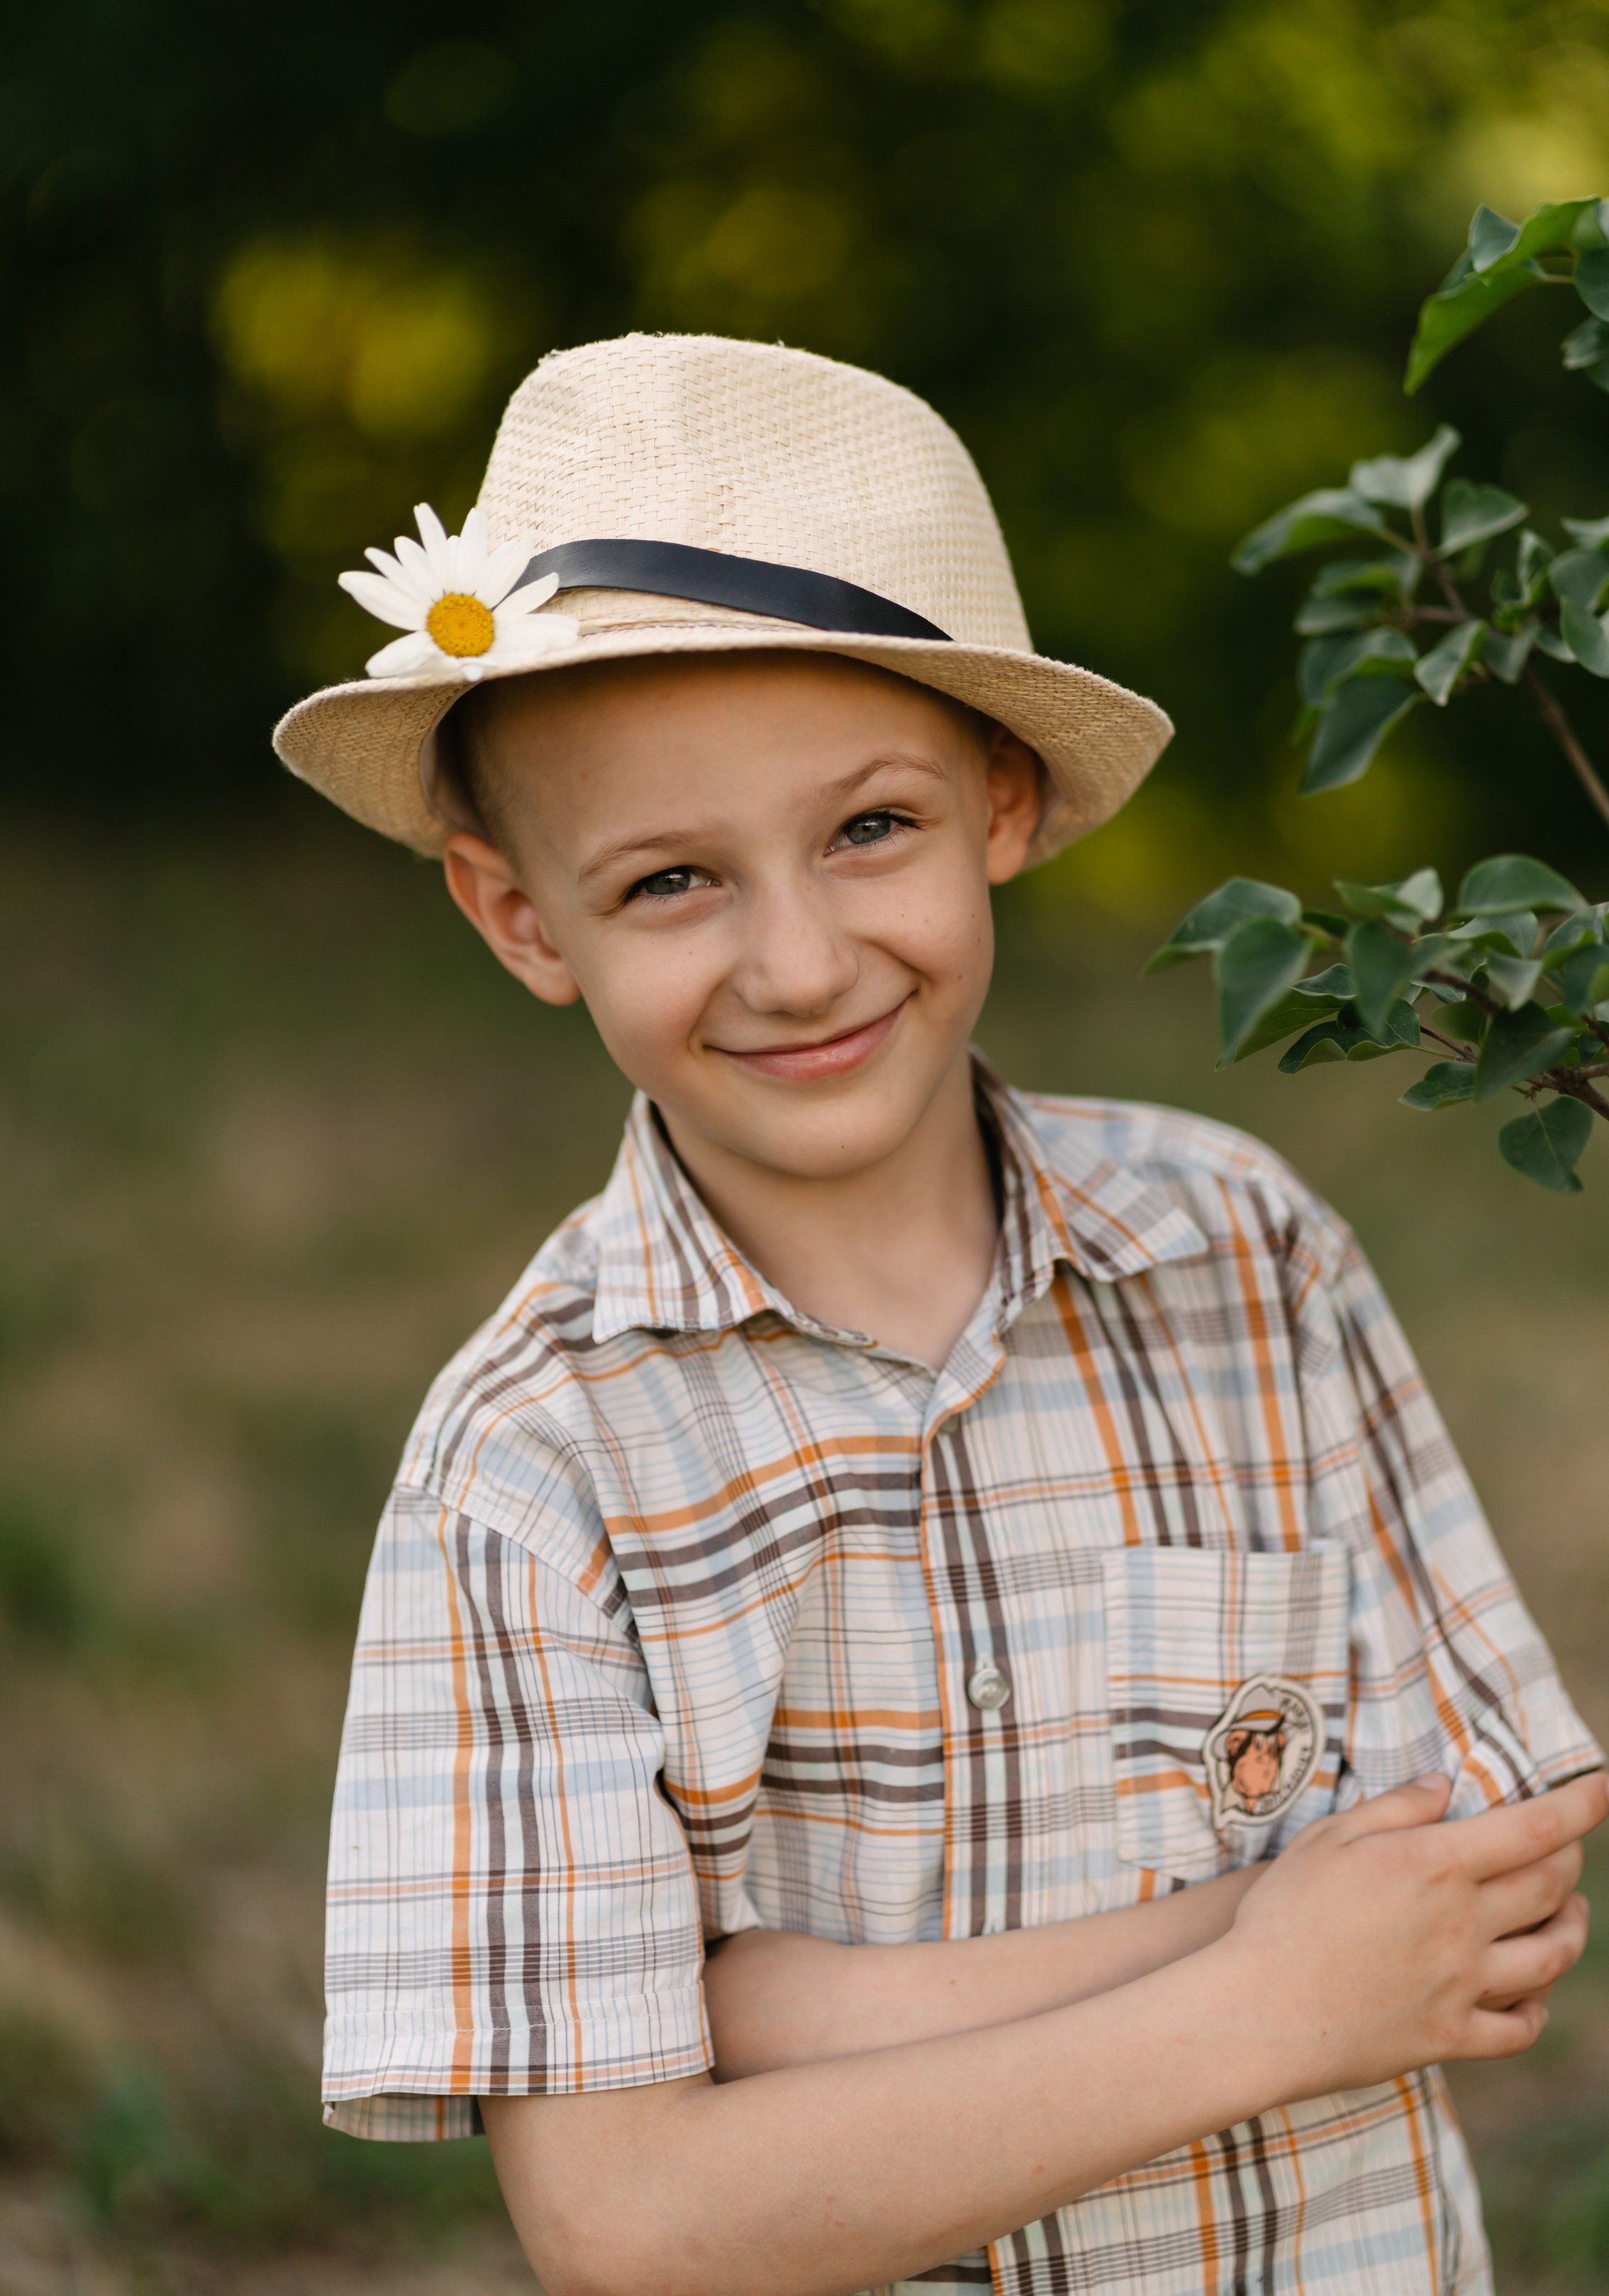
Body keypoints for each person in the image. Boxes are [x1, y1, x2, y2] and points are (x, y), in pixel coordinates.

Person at [275, 332, 1605, 2296]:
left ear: (1001, 800)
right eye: (668, 881)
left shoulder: (1248, 1250)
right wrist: (1274, 1991)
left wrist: (768, 2013)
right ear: (520, 918)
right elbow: (627, 2218)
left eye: (870, 828)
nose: (800, 961)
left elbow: (1489, 1881)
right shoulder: (534, 1471)